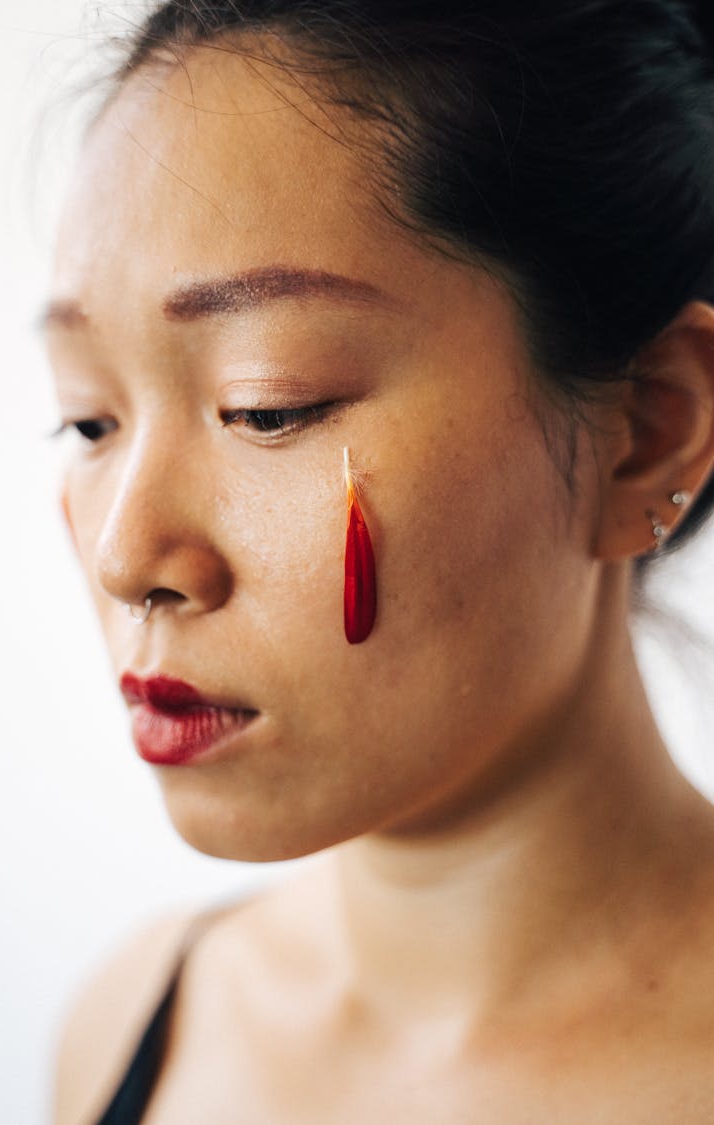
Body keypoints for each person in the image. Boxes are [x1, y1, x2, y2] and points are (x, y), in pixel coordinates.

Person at [45, 1, 714, 1121]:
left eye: (268, 407)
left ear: (648, 431)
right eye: (88, 421)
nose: (125, 558)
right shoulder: (124, 1027)